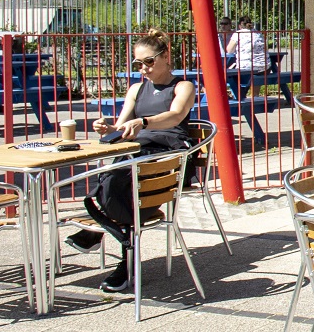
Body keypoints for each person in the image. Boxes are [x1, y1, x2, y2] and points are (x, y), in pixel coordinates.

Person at [66, 29, 196, 293]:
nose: (144, 68)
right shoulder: (137, 88)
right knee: (113, 178)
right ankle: (126, 251)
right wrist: (107, 127)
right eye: (138, 63)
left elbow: (175, 115)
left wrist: (144, 122)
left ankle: (100, 229)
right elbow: (122, 124)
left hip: (169, 156)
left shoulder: (183, 86)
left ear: (166, 56)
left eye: (149, 61)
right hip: (139, 155)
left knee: (114, 178)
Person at [224, 15, 271, 150]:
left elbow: (229, 51)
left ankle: (240, 97)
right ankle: (252, 97)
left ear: (240, 25)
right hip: (264, 68)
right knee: (254, 74)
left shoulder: (237, 34)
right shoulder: (258, 34)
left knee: (232, 75)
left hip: (246, 68)